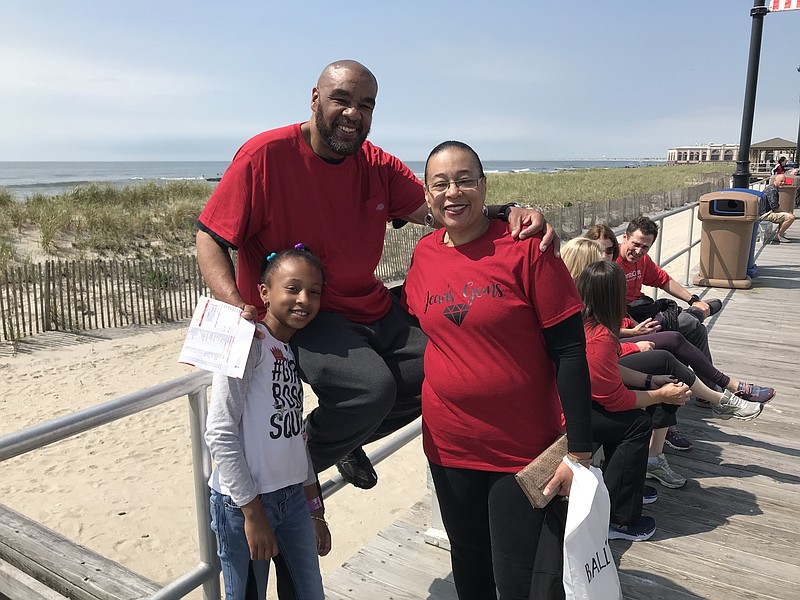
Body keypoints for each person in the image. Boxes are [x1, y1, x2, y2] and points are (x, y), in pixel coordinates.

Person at [195, 59, 555, 491]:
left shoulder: (376, 164)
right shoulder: (265, 155)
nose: (353, 114)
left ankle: (344, 438)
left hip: (371, 304)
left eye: (366, 105)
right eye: (341, 100)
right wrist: (236, 305)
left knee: (440, 370)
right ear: (315, 99)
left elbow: (438, 211)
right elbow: (210, 237)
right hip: (310, 313)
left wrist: (507, 211)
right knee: (372, 390)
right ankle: (295, 465)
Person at [401, 141, 593, 599]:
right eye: (441, 183)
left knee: (520, 576)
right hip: (449, 444)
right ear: (427, 197)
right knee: (468, 560)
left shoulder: (527, 249)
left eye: (466, 179)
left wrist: (580, 453)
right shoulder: (424, 254)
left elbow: (570, 351)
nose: (454, 192)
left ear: (485, 186)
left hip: (522, 449)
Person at [205, 246, 330, 600]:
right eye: (292, 288)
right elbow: (219, 432)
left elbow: (296, 435)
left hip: (292, 500)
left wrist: (315, 509)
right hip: (242, 504)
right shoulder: (249, 343)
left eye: (314, 291)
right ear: (264, 293)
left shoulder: (292, 350)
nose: (303, 299)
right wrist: (252, 512)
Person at [576, 260, 764, 496]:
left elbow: (606, 362)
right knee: (656, 386)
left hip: (591, 386)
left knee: (668, 364)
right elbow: (615, 397)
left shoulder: (591, 325)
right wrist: (659, 393)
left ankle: (717, 400)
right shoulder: (599, 335)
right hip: (575, 412)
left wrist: (650, 382)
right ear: (612, 296)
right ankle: (719, 398)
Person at [759, 173, 796, 244]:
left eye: (784, 181)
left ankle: (779, 234)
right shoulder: (772, 190)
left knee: (785, 215)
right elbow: (775, 207)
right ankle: (779, 236)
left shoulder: (772, 188)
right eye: (781, 181)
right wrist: (786, 212)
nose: (783, 183)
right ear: (775, 180)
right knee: (790, 217)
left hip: (766, 211)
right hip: (765, 214)